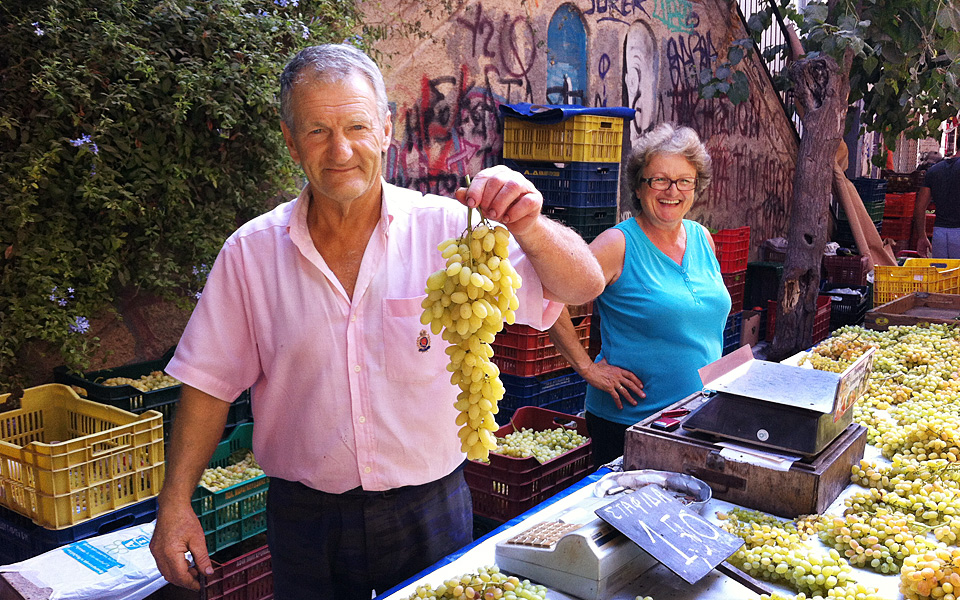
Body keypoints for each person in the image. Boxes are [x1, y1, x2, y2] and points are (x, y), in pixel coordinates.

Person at [149, 43, 605, 599]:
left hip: (431, 508)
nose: (340, 150)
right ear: (291, 142)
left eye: (358, 126)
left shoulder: (451, 232)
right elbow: (207, 386)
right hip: (304, 519)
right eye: (317, 131)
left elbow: (584, 285)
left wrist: (531, 226)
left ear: (386, 129)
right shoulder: (250, 253)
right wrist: (174, 505)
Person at [548, 123, 730, 467]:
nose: (671, 191)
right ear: (639, 185)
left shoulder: (702, 237)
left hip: (697, 416)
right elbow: (549, 298)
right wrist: (587, 368)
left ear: (696, 186)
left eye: (683, 180)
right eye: (659, 179)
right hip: (632, 424)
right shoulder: (618, 244)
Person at [914, 152, 960, 258]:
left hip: (940, 234)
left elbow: (920, 207)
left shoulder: (934, 170)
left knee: (941, 273)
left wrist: (922, 236)